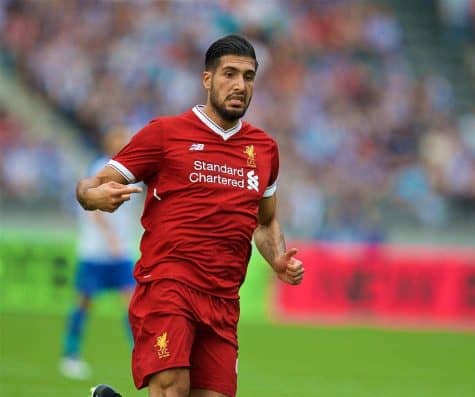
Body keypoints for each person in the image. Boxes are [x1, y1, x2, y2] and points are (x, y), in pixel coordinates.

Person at [76, 35, 305, 397]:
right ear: (207, 79)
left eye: (248, 77)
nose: (240, 85)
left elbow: (265, 221)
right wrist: (93, 196)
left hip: (223, 301)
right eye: (230, 74)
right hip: (169, 285)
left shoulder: (264, 150)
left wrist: (277, 257)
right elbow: (94, 183)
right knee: (171, 389)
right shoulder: (166, 134)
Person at [60, 127, 140, 380]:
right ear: (109, 141)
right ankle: (70, 355)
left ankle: (140, 355)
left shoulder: (132, 173)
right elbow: (92, 209)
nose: (124, 142)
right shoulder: (99, 168)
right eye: (119, 138)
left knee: (132, 304)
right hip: (96, 251)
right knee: (83, 301)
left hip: (121, 253)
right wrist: (110, 238)